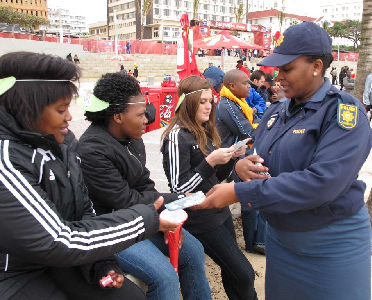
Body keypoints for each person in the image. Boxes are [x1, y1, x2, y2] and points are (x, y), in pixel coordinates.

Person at [196, 22, 372, 300]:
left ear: (316, 66)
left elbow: (321, 183)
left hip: (330, 243)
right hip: (281, 240)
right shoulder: (277, 110)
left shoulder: (343, 113)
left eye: (287, 68)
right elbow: (257, 151)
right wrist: (242, 167)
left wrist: (239, 192)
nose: (278, 77)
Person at [0, 52, 181, 300]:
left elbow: (83, 211)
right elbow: (58, 241)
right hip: (16, 274)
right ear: (27, 110)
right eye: (61, 109)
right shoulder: (7, 160)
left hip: (62, 261)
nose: (69, 117)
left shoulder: (64, 145)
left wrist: (102, 265)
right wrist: (146, 219)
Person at [78, 73, 212, 300]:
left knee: (194, 251)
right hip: (113, 227)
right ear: (118, 116)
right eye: (141, 115)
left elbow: (145, 186)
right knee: (164, 277)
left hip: (142, 217)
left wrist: (181, 199)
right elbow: (125, 201)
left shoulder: (132, 138)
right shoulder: (92, 149)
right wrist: (173, 204)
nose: (147, 120)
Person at [161, 75, 258, 300]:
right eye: (202, 101)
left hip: (218, 207)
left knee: (233, 271)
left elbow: (217, 177)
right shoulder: (176, 136)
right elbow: (179, 188)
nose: (208, 106)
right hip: (199, 217)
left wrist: (231, 158)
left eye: (210, 101)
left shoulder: (204, 129)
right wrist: (211, 161)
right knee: (243, 273)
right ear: (188, 103)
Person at [216, 69, 266, 254]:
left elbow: (254, 122)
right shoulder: (227, 105)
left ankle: (257, 240)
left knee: (253, 194)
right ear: (232, 86)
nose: (249, 86)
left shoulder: (237, 103)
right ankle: (256, 242)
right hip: (228, 161)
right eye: (245, 83)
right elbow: (248, 131)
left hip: (238, 156)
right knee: (252, 195)